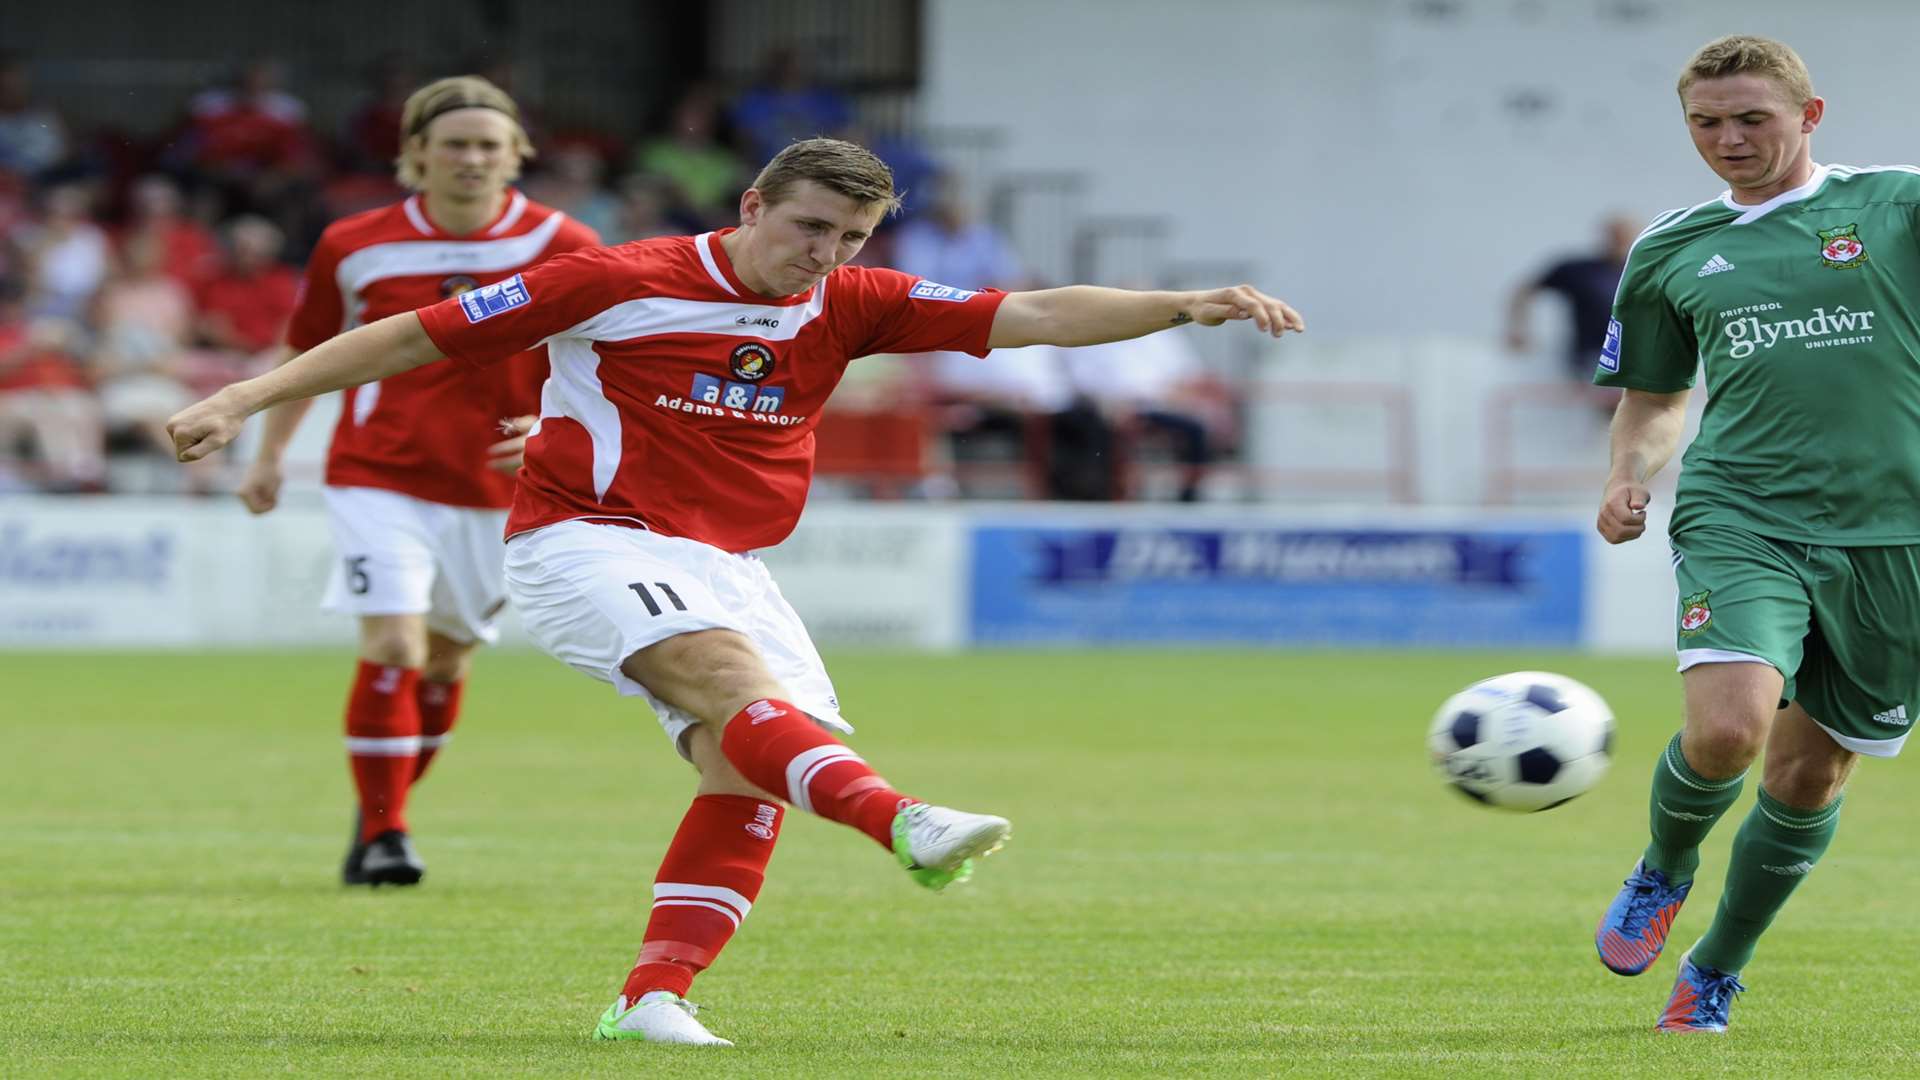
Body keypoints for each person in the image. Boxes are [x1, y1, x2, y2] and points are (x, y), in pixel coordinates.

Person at [166, 136, 1303, 1046]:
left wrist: (1184, 302)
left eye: (849, 235)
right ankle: (903, 820)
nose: (824, 252)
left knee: (742, 755)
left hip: (728, 563)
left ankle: (652, 996)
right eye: (810, 226)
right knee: (728, 690)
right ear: (754, 204)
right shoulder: (618, 279)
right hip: (588, 539)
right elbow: (408, 338)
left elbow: (1039, 315)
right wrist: (243, 401)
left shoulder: (854, 301)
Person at [1591, 35, 1920, 1034]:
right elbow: (1653, 398)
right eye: (1707, 123)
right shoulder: (1670, 248)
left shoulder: (1895, 205)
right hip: (1744, 512)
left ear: (1808, 117)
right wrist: (1626, 475)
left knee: (1808, 773)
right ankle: (1665, 866)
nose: (1728, 139)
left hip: (1897, 537)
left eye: (1752, 119)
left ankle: (1718, 965)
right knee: (1729, 730)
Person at [233, 75, 599, 887]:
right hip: (378, 469)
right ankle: (392, 832)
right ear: (416, 155)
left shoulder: (566, 242)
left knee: (444, 660)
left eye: (488, 146)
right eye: (455, 144)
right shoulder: (354, 243)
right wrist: (267, 456)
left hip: (499, 488)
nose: (471, 159)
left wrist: (553, 428)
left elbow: (609, 358)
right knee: (394, 643)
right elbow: (307, 357)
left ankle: (373, 822)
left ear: (515, 157)